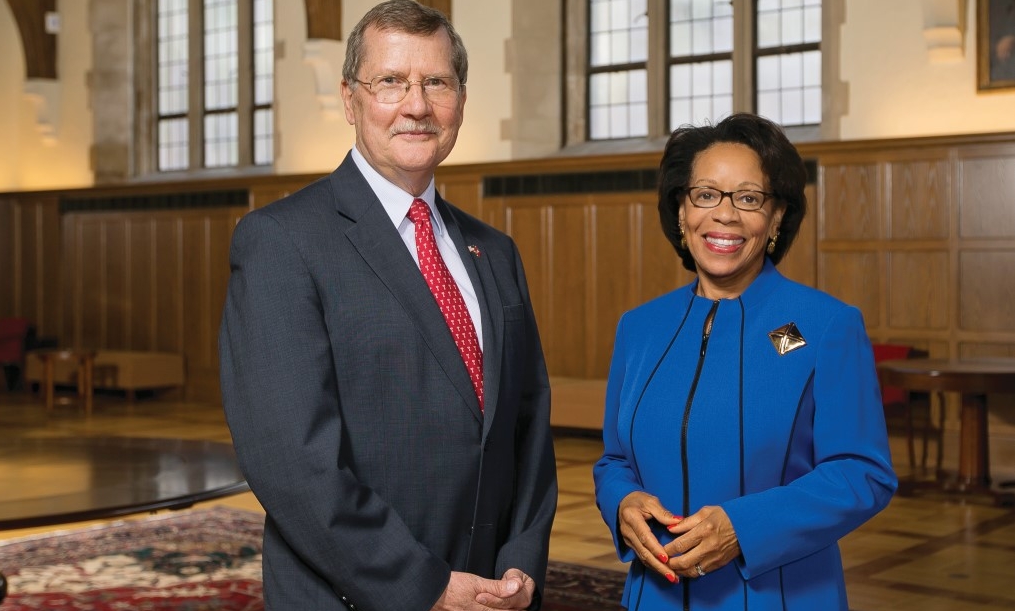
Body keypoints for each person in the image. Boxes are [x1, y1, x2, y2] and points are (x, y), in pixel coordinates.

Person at [219, 1, 557, 610]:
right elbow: (291, 461)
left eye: (437, 83)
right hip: (358, 594)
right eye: (391, 82)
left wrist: (521, 560)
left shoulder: (495, 251)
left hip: (489, 592)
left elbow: (527, 423)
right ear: (350, 99)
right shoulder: (281, 241)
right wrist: (422, 586)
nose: (417, 105)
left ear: (460, 99)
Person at [592, 113, 897, 611]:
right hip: (654, 597)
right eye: (706, 194)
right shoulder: (639, 329)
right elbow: (615, 460)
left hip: (779, 596)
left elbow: (862, 473)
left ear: (776, 217)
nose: (725, 215)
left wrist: (744, 529)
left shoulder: (825, 326)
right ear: (680, 211)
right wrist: (621, 501)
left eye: (749, 198)